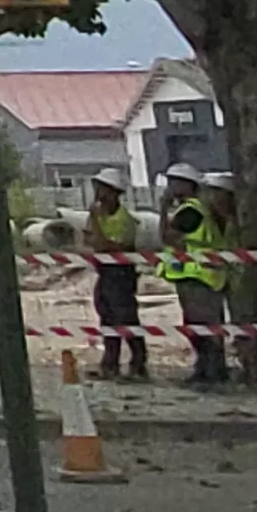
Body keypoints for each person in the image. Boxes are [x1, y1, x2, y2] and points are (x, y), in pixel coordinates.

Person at [158, 162, 231, 385]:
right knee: (200, 326)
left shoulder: (191, 210)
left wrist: (163, 209)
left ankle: (212, 372)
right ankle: (207, 369)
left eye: (173, 182)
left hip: (199, 275)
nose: (169, 187)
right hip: (201, 275)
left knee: (202, 327)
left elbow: (168, 237)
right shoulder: (197, 209)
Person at [82, 168, 149, 380]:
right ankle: (109, 363)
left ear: (113, 193)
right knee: (107, 317)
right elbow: (88, 240)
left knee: (126, 318)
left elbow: (103, 245)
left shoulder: (125, 220)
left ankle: (138, 363)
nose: (98, 193)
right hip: (105, 272)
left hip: (120, 275)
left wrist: (95, 221)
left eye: (102, 189)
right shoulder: (99, 215)